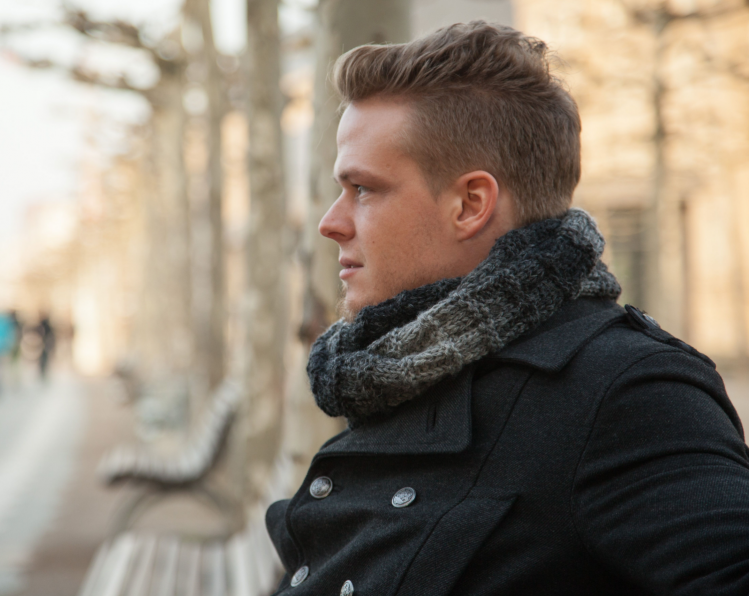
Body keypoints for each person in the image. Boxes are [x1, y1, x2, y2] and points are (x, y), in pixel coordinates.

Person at [266, 22, 749, 596]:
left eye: (363, 189)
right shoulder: (397, 375)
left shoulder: (625, 392)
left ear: (471, 204)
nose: (331, 222)